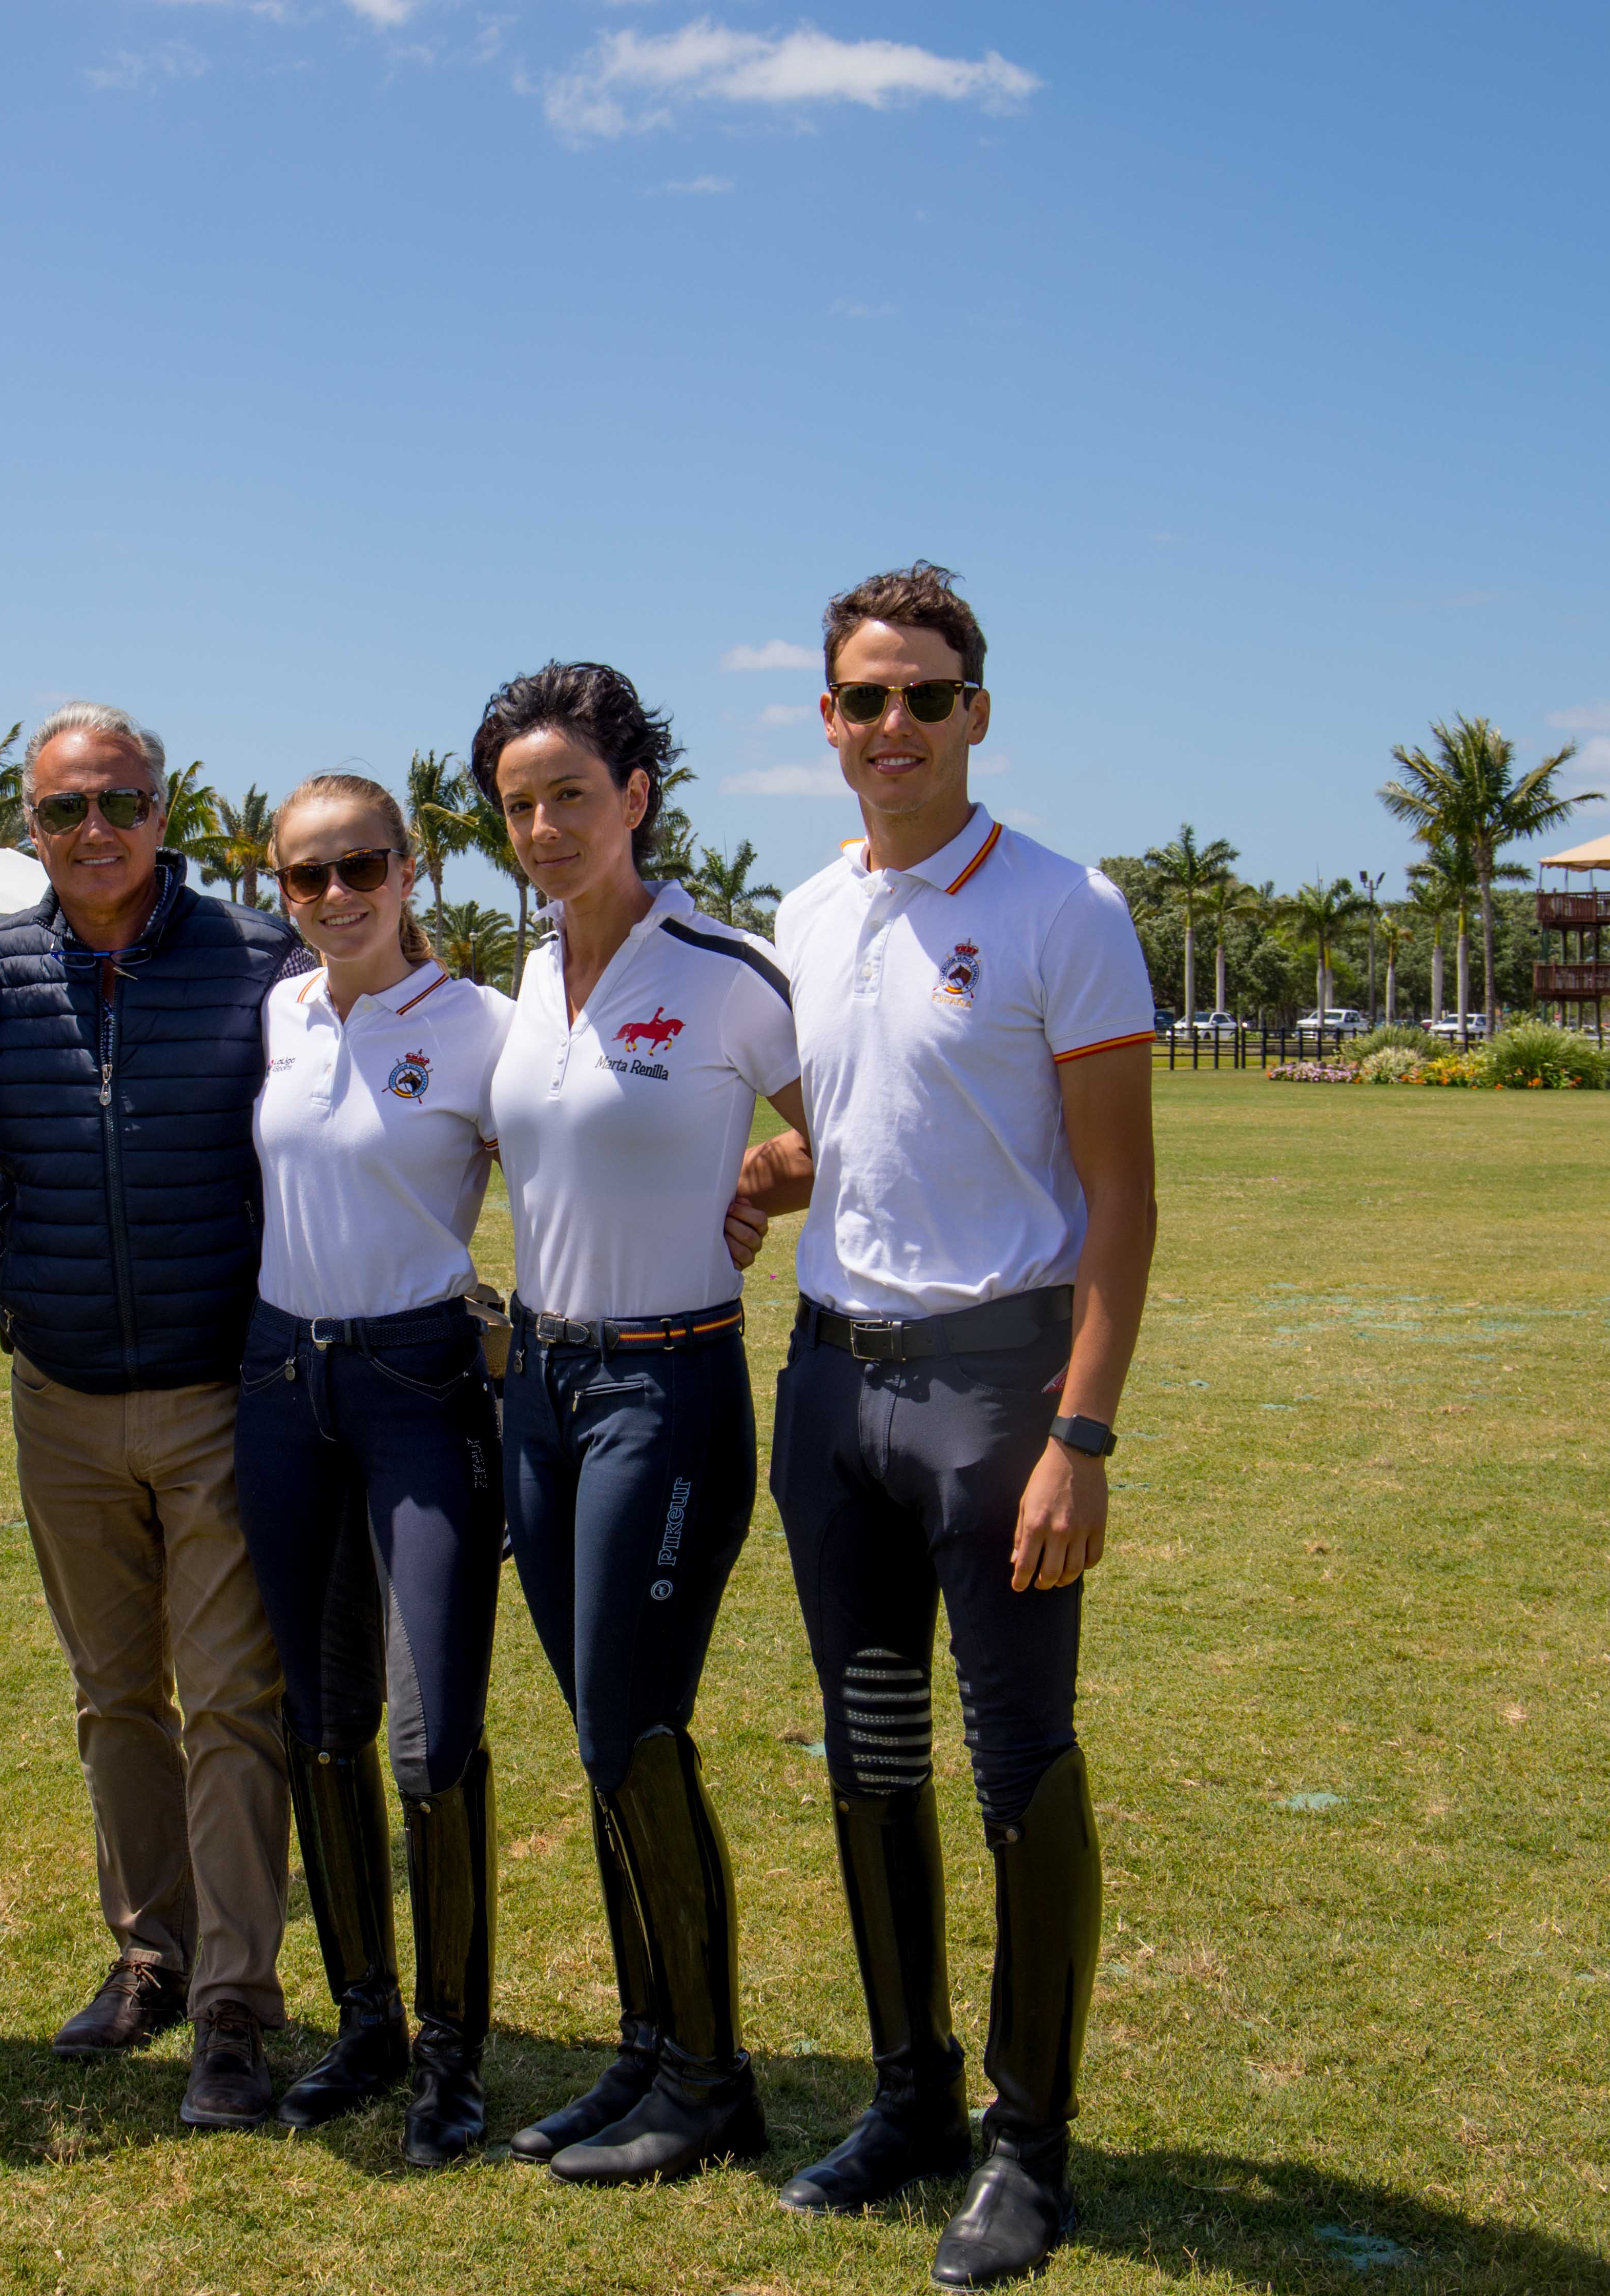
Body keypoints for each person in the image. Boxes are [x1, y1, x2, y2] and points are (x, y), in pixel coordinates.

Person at [737, 564, 1158, 2285]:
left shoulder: (1069, 908)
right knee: (870, 1751)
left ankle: (1027, 2148)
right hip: (830, 1380)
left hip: (999, 1390)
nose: (892, 726)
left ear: (978, 711)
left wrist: (1085, 1436)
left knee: (1018, 1765)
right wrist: (782, 1168)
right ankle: (906, 2095)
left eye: (924, 696)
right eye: (863, 699)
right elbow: (856, 1128)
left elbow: (1121, 1200)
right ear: (825, 722)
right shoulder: (807, 911)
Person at [474, 662, 808, 2185]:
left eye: (570, 797)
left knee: (635, 1724)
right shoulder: (526, 973)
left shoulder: (728, 967)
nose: (545, 827)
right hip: (537, 1391)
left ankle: (710, 2077)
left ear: (637, 797)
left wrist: (762, 1181)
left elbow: (853, 1122)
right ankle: (643, 2046)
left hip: (666, 1391)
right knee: (598, 1735)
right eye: (519, 805)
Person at [0, 704, 303, 2130]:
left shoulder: (263, 961)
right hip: (58, 1400)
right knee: (117, 1700)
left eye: (120, 803)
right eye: (65, 812)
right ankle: (150, 1955)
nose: (94, 832)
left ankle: (235, 2002)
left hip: (221, 1396)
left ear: (164, 813)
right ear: (29, 827)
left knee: (234, 1700)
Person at [234, 773, 514, 2166]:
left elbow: (581, 1169)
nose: (336, 898)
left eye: (362, 869)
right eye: (306, 877)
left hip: (421, 1390)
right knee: (321, 1721)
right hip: (284, 1386)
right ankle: (368, 2021)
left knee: (429, 1733)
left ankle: (455, 2056)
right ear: (279, 891)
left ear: (412, 874)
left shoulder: (484, 1029)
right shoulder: (274, 1009)